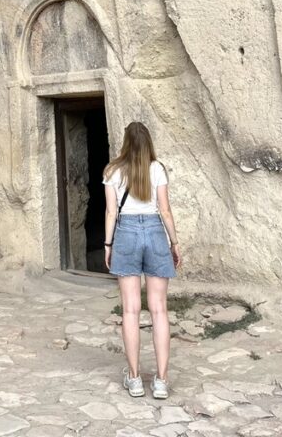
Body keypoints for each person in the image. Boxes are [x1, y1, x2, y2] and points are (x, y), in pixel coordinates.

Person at [103, 121, 182, 399]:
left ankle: (135, 379)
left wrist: (108, 244)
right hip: (154, 231)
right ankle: (161, 381)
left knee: (130, 310)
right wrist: (174, 242)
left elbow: (111, 213)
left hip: (125, 233)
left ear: (125, 143)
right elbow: (166, 210)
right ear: (148, 142)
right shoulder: (157, 168)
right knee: (159, 309)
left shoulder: (112, 171)